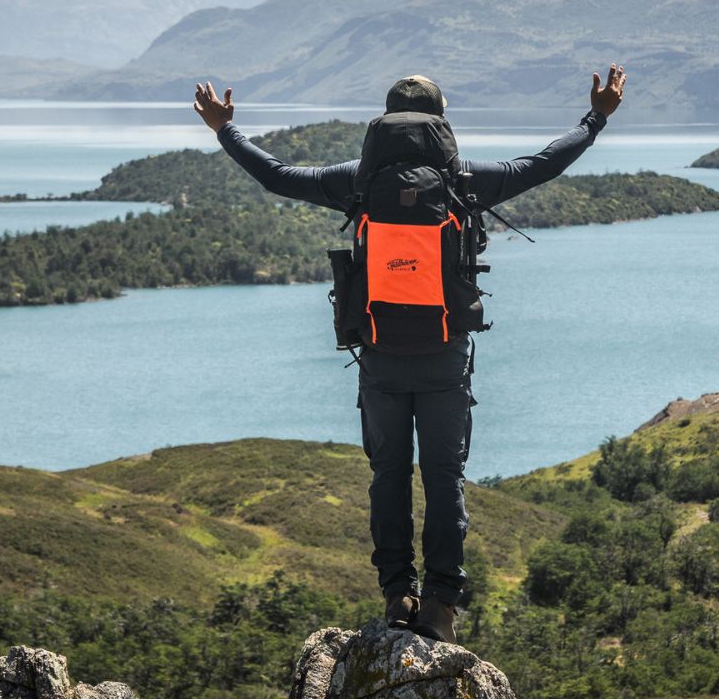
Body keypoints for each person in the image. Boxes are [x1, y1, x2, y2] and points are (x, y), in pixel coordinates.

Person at [190, 66, 626, 644]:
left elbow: (277, 175)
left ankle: (399, 592)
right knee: (445, 479)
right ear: (440, 120)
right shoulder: (464, 179)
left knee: (388, 476)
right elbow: (543, 163)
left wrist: (226, 130)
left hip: (379, 354)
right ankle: (442, 604)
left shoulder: (358, 180)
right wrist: (596, 118)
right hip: (446, 353)